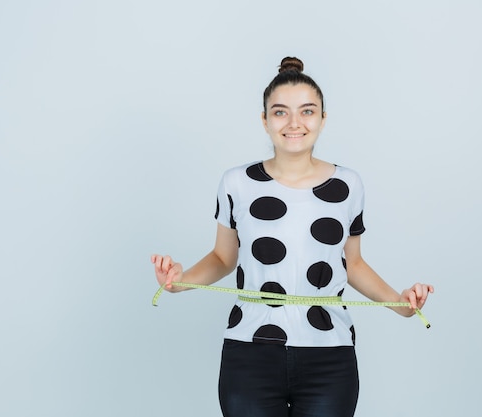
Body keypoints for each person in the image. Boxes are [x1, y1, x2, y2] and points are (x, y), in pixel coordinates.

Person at [151, 56, 434, 417]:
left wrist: (401, 304)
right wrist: (178, 282)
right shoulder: (236, 183)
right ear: (265, 121)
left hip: (329, 357)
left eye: (307, 111)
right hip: (250, 355)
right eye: (281, 112)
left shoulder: (349, 185)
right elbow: (223, 258)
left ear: (323, 118)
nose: (295, 123)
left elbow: (354, 264)